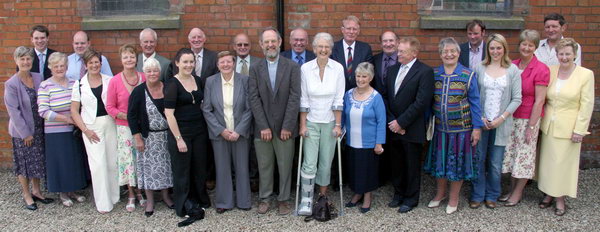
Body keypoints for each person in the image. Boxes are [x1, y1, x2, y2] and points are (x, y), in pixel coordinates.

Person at [423, 37, 483, 214]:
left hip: (462, 131)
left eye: (452, 51)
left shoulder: (468, 74)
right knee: (439, 163)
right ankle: (440, 194)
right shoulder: (434, 74)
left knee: (457, 165)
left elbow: (475, 102)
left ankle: (454, 198)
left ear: (458, 53)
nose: (448, 54)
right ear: (440, 54)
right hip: (440, 129)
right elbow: (427, 101)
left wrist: (477, 128)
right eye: (445, 51)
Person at [537, 38, 594, 216]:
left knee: (563, 165)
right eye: (561, 54)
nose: (564, 57)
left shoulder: (585, 74)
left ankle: (560, 199)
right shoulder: (551, 71)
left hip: (569, 127)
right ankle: (548, 194)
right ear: (557, 55)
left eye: (568, 54)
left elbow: (587, 104)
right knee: (548, 163)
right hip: (549, 125)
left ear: (575, 54)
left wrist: (580, 129)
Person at [248, 27, 301, 215]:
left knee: (285, 165)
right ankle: (265, 198)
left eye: (273, 41)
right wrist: (263, 126)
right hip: (262, 128)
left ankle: (284, 199)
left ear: (279, 43)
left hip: (285, 128)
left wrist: (287, 125)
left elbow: (295, 97)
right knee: (264, 165)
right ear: (261, 45)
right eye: (266, 42)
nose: (270, 45)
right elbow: (253, 98)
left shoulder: (292, 67)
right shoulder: (255, 68)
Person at [469, 34, 522, 210]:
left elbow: (517, 98)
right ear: (488, 50)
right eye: (492, 48)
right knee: (479, 159)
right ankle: (477, 195)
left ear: (504, 49)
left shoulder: (512, 69)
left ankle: (492, 195)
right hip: (482, 123)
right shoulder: (479, 68)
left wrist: (501, 118)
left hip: (501, 124)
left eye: (499, 48)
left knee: (495, 163)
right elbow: (474, 96)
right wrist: (480, 118)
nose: (495, 51)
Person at [382, 37, 434, 213]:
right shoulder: (392, 70)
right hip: (393, 127)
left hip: (411, 128)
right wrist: (393, 122)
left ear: (414, 53)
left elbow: (421, 102)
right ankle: (398, 194)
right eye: (399, 50)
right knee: (396, 164)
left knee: (411, 165)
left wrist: (402, 122)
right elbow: (386, 98)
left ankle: (411, 198)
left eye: (402, 51)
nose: (398, 54)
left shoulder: (424, 71)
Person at [297, 32, 345, 216]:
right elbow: (303, 98)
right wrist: (302, 125)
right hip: (311, 121)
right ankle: (306, 200)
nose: (323, 50)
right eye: (320, 47)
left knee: (326, 162)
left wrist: (338, 124)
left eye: (327, 47)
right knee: (309, 162)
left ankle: (322, 196)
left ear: (331, 50)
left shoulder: (338, 68)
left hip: (330, 122)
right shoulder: (305, 69)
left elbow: (339, 97)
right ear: (314, 49)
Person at [500, 29, 550, 206]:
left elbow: (540, 101)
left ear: (535, 47)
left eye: (530, 45)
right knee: (511, 154)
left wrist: (531, 126)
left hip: (528, 119)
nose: (526, 48)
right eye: (524, 44)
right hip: (511, 117)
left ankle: (518, 193)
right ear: (519, 45)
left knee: (524, 156)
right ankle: (511, 189)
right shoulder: (512, 65)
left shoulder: (541, 69)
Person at [202, 51, 253, 214]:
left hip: (240, 132)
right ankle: (224, 201)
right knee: (222, 167)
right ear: (218, 65)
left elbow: (249, 108)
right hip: (220, 133)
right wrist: (221, 130)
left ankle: (244, 200)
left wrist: (238, 131)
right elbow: (207, 109)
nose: (225, 65)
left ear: (234, 63)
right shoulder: (211, 81)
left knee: (242, 167)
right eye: (222, 62)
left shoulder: (244, 80)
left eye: (229, 62)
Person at [164, 48, 210, 227]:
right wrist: (178, 139)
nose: (189, 65)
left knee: (199, 168)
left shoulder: (197, 80)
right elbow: (169, 114)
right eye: (185, 62)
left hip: (199, 131)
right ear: (177, 63)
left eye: (191, 62)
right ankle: (183, 204)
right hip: (180, 133)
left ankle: (199, 200)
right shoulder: (172, 84)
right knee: (182, 171)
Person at [5, 46, 54, 211]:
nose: (25, 62)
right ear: (16, 61)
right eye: (22, 59)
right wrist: (25, 133)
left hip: (39, 128)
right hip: (22, 132)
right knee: (24, 163)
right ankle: (27, 194)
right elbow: (14, 112)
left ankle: (37, 191)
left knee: (37, 160)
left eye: (28, 59)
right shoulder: (11, 84)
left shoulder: (38, 77)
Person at [71, 49, 119, 214]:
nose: (94, 65)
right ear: (85, 65)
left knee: (112, 162)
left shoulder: (110, 80)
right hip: (91, 127)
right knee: (98, 165)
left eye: (96, 62)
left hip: (111, 123)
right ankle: (103, 203)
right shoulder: (78, 84)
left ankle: (114, 197)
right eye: (90, 62)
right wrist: (85, 130)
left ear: (101, 63)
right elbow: (74, 111)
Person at [37, 52, 87, 207]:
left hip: (73, 130)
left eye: (62, 66)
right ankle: (63, 193)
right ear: (51, 68)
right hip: (55, 132)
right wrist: (66, 119)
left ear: (67, 67)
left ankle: (73, 190)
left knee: (72, 161)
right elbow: (43, 111)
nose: (59, 68)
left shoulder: (74, 83)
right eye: (56, 66)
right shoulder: (45, 85)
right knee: (60, 162)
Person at [127, 57, 174, 217]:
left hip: (167, 136)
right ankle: (150, 200)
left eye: (155, 71)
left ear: (160, 72)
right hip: (148, 137)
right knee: (148, 169)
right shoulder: (139, 91)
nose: (152, 73)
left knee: (166, 168)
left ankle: (166, 196)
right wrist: (137, 137)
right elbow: (131, 115)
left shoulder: (168, 88)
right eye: (149, 71)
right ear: (144, 73)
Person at [105, 44, 147, 212]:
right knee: (128, 161)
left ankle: (142, 192)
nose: (129, 59)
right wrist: (126, 116)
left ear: (136, 59)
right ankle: (131, 193)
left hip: (143, 127)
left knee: (141, 159)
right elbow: (110, 107)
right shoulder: (114, 81)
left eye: (131, 56)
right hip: (124, 128)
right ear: (121, 60)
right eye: (125, 57)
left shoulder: (144, 78)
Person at [342, 62, 386, 214]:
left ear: (371, 78)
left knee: (367, 170)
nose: (360, 79)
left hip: (369, 142)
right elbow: (342, 115)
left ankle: (367, 197)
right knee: (354, 169)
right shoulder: (348, 94)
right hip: (351, 141)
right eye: (358, 76)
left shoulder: (376, 97)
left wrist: (379, 143)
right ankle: (357, 193)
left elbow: (381, 121)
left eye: (364, 76)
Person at [331, 15, 373, 91]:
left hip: (359, 93)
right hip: (337, 93)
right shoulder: (333, 48)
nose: (351, 32)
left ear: (358, 31)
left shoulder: (365, 49)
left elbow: (368, 73)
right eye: (348, 28)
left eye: (354, 29)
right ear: (342, 30)